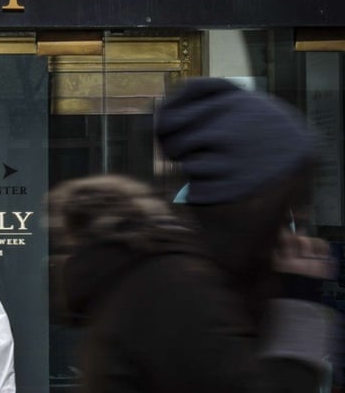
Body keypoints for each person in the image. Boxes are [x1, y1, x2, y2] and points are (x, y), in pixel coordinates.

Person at [49, 78, 335, 393]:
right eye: (287, 206)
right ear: (256, 202)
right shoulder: (175, 287)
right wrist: (298, 307)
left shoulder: (180, 272)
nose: (294, 231)